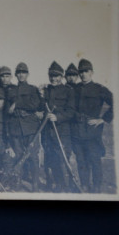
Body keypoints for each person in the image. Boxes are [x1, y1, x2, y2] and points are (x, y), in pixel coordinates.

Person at [72, 58, 113, 193]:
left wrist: (103, 120)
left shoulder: (99, 89)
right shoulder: (74, 89)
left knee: (94, 160)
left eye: (86, 71)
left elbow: (116, 103)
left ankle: (96, 187)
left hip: (92, 132)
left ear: (92, 72)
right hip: (77, 131)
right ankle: (84, 185)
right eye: (81, 72)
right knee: (81, 161)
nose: (83, 74)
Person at [7, 62, 43, 191]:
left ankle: (35, 183)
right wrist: (11, 107)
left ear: (27, 74)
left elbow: (35, 105)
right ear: (16, 75)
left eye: (24, 72)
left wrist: (16, 104)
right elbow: (7, 108)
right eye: (19, 72)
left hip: (30, 127)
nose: (21, 75)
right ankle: (18, 182)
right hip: (16, 127)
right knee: (18, 156)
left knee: (33, 156)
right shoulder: (10, 90)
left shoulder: (33, 89)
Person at [41, 61, 75, 192]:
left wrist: (58, 117)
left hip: (61, 131)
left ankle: (65, 186)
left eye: (56, 76)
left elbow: (71, 111)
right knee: (50, 159)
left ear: (61, 77)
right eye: (51, 76)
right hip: (47, 132)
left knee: (62, 159)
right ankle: (53, 184)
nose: (53, 78)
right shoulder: (46, 90)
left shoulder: (68, 91)